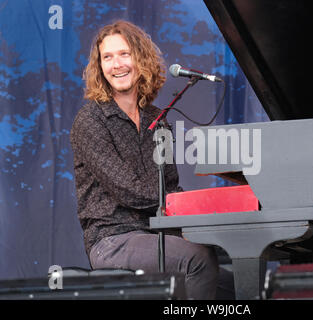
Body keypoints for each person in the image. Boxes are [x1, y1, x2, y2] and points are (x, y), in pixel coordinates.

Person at [70, 20, 219, 300]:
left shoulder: (157, 119)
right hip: (112, 240)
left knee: (232, 279)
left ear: (141, 59)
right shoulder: (90, 120)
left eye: (124, 54)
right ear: (100, 67)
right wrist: (187, 210)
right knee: (198, 260)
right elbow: (129, 190)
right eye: (108, 57)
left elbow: (170, 186)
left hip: (159, 235)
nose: (117, 64)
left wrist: (197, 222)